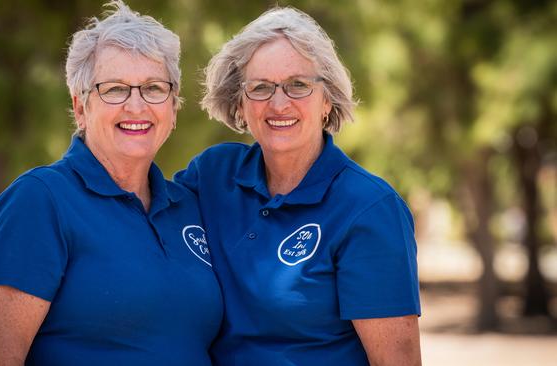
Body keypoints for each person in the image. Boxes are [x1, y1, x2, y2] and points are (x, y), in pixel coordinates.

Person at [0, 2, 222, 365]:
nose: (137, 107)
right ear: (81, 107)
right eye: (115, 89)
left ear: (174, 108)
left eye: (153, 88)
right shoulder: (40, 201)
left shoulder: (190, 207)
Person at [174, 6, 421, 366]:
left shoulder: (368, 208)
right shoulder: (211, 176)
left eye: (298, 85)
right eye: (260, 87)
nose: (278, 102)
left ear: (327, 100)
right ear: (240, 104)